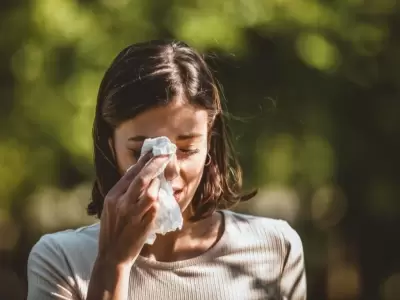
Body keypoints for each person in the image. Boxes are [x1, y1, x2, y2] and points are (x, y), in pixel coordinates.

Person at [27, 40, 306, 300]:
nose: (168, 171)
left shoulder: (275, 247)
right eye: (143, 152)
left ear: (210, 142)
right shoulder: (61, 261)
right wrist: (112, 264)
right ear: (110, 146)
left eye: (186, 149)